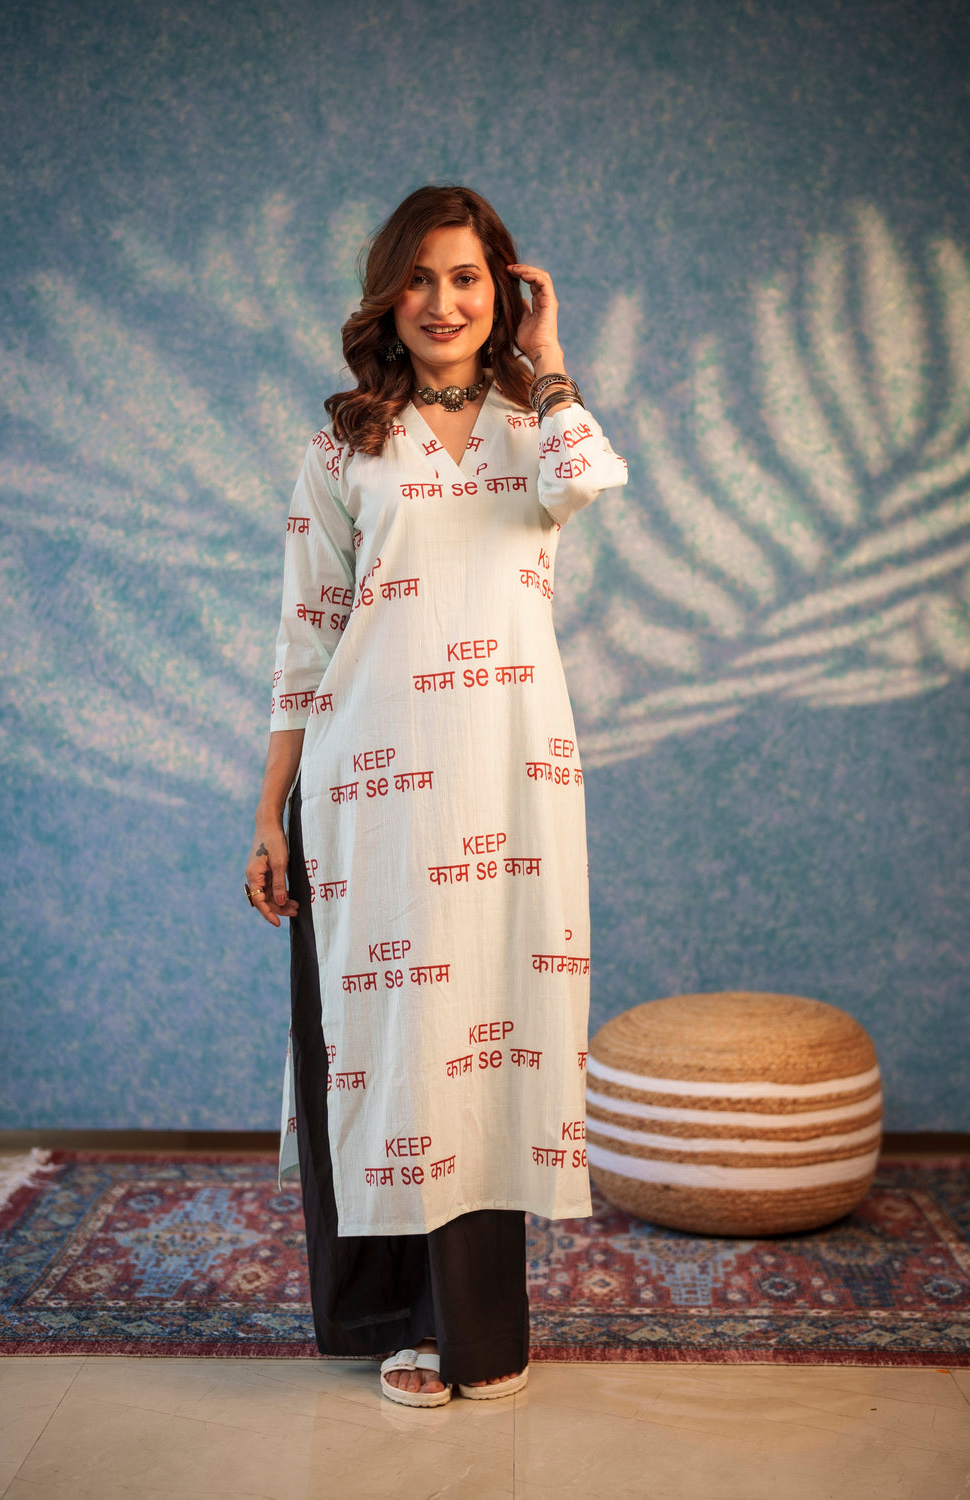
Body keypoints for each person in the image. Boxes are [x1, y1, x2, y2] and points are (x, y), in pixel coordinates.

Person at [244, 185, 627, 1407]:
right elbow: (306, 641)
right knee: (390, 1049)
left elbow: (590, 479)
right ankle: (391, 1321)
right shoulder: (343, 448)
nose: (442, 302)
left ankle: (477, 1333)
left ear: (500, 291)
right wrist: (269, 813)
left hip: (511, 785)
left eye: (466, 278)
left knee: (491, 1041)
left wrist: (549, 360)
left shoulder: (540, 430)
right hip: (369, 788)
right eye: (418, 278)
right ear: (386, 296)